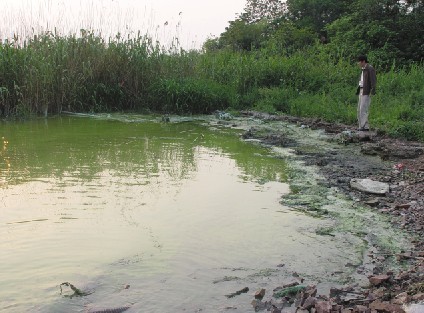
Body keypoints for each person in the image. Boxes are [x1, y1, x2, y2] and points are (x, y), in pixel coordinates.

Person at [356, 55, 376, 131]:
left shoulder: (370, 69)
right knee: (359, 109)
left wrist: (372, 91)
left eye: (359, 62)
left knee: (363, 109)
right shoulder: (363, 69)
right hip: (361, 90)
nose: (358, 63)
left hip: (366, 91)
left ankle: (365, 126)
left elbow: (373, 81)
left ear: (363, 61)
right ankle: (361, 126)